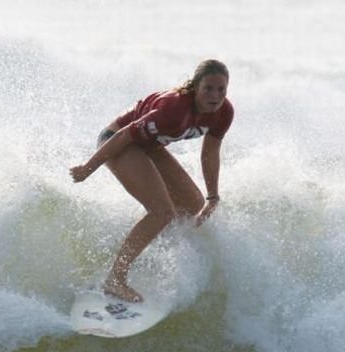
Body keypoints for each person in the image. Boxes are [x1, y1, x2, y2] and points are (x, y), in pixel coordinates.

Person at [70, 59, 234, 303]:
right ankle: (115, 278)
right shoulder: (174, 109)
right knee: (162, 212)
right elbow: (126, 134)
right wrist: (88, 168)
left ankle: (149, 253)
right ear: (195, 87)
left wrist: (213, 196)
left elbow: (209, 153)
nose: (215, 95)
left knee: (192, 204)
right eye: (208, 88)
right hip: (117, 141)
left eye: (221, 89)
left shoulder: (223, 113)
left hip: (151, 146)